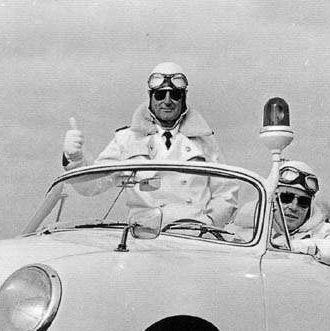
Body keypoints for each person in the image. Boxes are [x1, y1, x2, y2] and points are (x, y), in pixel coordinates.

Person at [60, 62, 238, 227]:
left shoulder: (204, 142)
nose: (167, 101)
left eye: (175, 95)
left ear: (184, 98)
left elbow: (226, 192)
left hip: (194, 234)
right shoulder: (127, 139)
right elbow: (92, 185)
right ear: (150, 97)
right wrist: (74, 159)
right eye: (160, 95)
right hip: (143, 236)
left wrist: (210, 223)